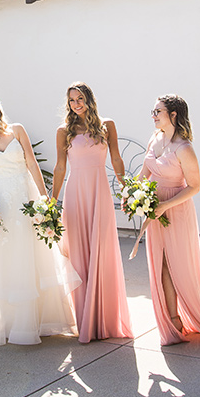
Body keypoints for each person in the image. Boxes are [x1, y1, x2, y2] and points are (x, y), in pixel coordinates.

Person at [0, 92, 80, 346]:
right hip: (1, 203)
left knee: (33, 254)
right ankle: (9, 322)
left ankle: (37, 320)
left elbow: (31, 163)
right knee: (6, 257)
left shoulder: (17, 130)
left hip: (26, 196)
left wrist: (44, 200)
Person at [140, 94, 200, 346]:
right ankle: (172, 322)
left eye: (157, 110)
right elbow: (144, 173)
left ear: (173, 114)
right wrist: (133, 194)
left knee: (178, 266)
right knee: (159, 265)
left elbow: (194, 186)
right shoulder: (154, 138)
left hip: (176, 208)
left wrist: (166, 206)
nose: (153, 115)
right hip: (154, 208)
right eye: (153, 110)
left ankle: (197, 320)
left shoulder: (184, 148)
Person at [53, 83, 133, 343]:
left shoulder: (107, 125)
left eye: (80, 98)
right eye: (72, 100)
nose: (76, 103)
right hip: (75, 195)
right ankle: (83, 318)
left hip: (100, 194)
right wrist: (51, 201)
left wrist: (127, 188)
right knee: (78, 254)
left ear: (89, 99)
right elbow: (60, 168)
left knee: (103, 251)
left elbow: (117, 159)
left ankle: (105, 319)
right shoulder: (63, 131)